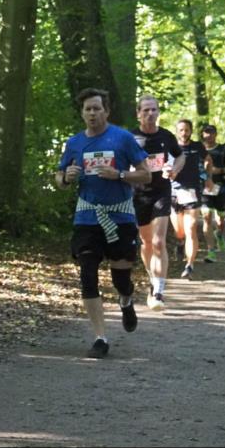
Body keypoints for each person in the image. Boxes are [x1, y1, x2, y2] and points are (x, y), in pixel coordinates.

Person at [56, 88, 150, 359]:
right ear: (82, 113)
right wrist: (66, 178)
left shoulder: (122, 138)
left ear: (106, 111)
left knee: (121, 278)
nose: (92, 113)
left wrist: (119, 174)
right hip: (87, 217)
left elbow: (146, 176)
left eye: (97, 108)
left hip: (120, 216)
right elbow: (59, 179)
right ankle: (100, 337)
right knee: (87, 273)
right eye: (88, 109)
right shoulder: (74, 143)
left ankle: (126, 299)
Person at [131, 96, 185, 310]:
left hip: (161, 192)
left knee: (159, 242)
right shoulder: (131, 137)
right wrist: (131, 172)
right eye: (146, 110)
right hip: (138, 195)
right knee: (146, 243)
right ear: (138, 113)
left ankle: (159, 291)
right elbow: (121, 160)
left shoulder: (166, 136)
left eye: (154, 110)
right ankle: (151, 278)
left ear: (158, 112)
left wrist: (174, 170)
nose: (150, 114)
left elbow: (180, 157)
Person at [169, 119, 209, 280]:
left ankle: (189, 265)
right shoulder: (171, 147)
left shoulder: (197, 146)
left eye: (187, 130)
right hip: (173, 191)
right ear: (177, 131)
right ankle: (180, 243)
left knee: (191, 228)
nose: (184, 133)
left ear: (191, 131)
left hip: (192, 190)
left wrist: (208, 177)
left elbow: (208, 159)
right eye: (181, 130)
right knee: (179, 232)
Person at [200, 123, 225, 262]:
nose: (209, 135)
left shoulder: (223, 149)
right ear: (202, 134)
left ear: (216, 134)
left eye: (211, 132)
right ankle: (211, 251)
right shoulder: (198, 149)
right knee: (206, 217)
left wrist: (219, 171)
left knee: (220, 220)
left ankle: (220, 235)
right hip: (204, 188)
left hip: (220, 187)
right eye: (206, 132)